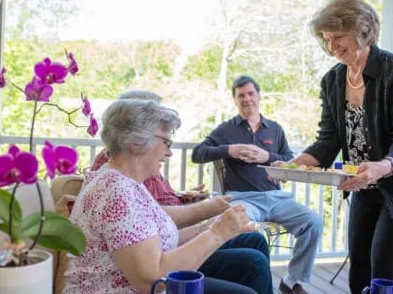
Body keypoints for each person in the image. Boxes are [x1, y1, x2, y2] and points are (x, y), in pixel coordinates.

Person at [284, 0, 393, 294]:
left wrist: (383, 166)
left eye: (338, 37)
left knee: (388, 276)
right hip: (366, 183)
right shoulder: (333, 81)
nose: (331, 46)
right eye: (326, 38)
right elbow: (329, 139)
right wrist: (289, 165)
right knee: (360, 273)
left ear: (362, 31)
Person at [63, 99, 273, 294]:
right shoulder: (117, 192)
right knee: (250, 279)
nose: (169, 153)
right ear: (135, 143)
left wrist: (210, 226)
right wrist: (218, 232)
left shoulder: (124, 181)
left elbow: (153, 239)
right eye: (166, 142)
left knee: (251, 262)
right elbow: (152, 281)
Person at [192, 75, 323, 294]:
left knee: (314, 221)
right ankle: (253, 281)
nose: (246, 99)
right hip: (243, 199)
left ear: (259, 95)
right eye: (240, 95)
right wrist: (228, 150)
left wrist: (268, 156)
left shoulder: (275, 129)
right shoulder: (226, 130)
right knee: (250, 233)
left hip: (277, 199)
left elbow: (289, 161)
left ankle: (292, 280)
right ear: (234, 100)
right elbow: (198, 153)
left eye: (250, 93)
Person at [91, 89, 205, 205]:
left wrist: (183, 198)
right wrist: (207, 208)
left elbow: (154, 206)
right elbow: (151, 211)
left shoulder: (139, 160)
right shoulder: (120, 166)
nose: (169, 153)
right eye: (154, 115)